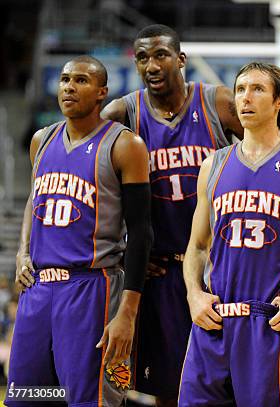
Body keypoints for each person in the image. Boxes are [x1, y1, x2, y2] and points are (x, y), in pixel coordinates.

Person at [179, 62, 280, 406]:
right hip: (214, 321)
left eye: (257, 89)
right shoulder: (214, 165)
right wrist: (194, 294)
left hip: (269, 323)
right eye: (240, 89)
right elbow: (196, 246)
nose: (245, 98)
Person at [101, 24, 243, 406]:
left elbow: (267, 155)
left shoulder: (219, 104)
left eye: (160, 55)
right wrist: (125, 254)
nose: (151, 64)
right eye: (143, 57)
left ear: (181, 60)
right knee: (168, 390)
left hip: (217, 271)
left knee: (227, 387)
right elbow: (100, 192)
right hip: (162, 274)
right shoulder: (122, 113)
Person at [9, 55, 151, 406]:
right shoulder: (41, 140)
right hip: (39, 289)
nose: (69, 87)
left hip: (92, 288)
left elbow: (142, 231)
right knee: (29, 397)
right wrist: (22, 250)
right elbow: (34, 199)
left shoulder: (124, 145)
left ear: (102, 92)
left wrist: (128, 313)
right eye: (64, 79)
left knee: (89, 400)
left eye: (81, 81)